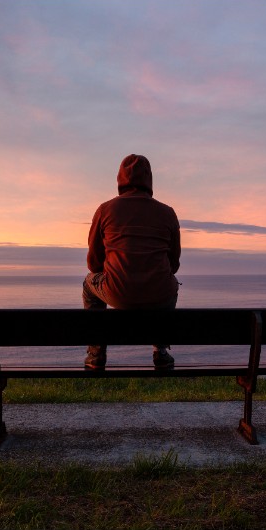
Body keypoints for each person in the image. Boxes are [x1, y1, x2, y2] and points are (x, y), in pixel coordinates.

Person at [82, 154, 181, 370]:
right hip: (159, 294)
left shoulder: (105, 210)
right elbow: (173, 264)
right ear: (149, 179)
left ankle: (96, 352)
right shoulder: (167, 213)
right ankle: (160, 351)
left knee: (88, 283)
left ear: (120, 178)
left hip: (118, 293)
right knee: (171, 283)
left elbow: (93, 264)